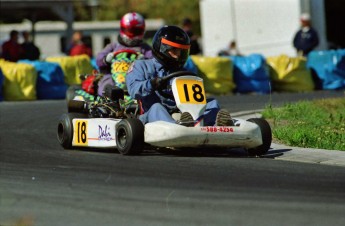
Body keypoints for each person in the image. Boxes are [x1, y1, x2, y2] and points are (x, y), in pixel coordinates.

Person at [126, 25, 233, 127]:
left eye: (181, 51)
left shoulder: (183, 72)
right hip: (150, 116)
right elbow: (133, 89)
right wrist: (152, 84)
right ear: (162, 48)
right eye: (174, 50)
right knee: (157, 108)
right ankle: (179, 128)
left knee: (212, 103)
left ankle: (216, 125)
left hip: (184, 115)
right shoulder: (141, 65)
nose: (178, 55)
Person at [96, 12, 153, 97]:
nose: (133, 34)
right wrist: (106, 59)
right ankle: (107, 99)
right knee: (106, 80)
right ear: (123, 29)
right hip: (114, 76)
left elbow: (153, 62)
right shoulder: (114, 46)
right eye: (130, 31)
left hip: (136, 77)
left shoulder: (144, 49)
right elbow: (98, 59)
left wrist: (144, 61)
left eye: (136, 31)